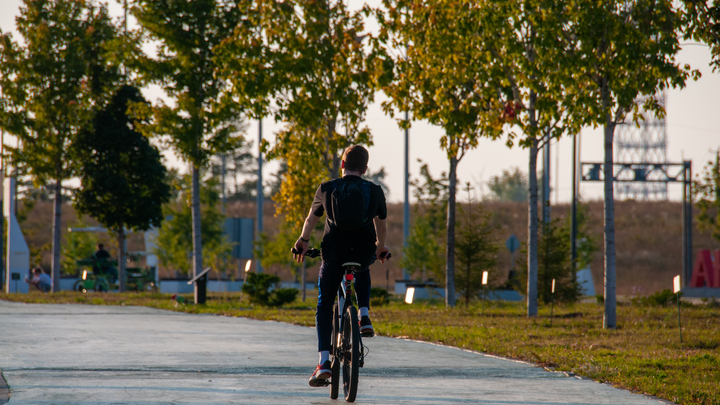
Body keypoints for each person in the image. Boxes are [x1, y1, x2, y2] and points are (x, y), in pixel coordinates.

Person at [292, 145, 390, 387]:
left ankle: (324, 362)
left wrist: (303, 242)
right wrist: (380, 248)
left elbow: (311, 220)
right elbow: (382, 226)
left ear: (343, 165)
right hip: (364, 251)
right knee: (363, 268)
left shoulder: (327, 188)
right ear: (365, 168)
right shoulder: (375, 190)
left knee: (325, 303)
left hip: (334, 252)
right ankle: (364, 315)